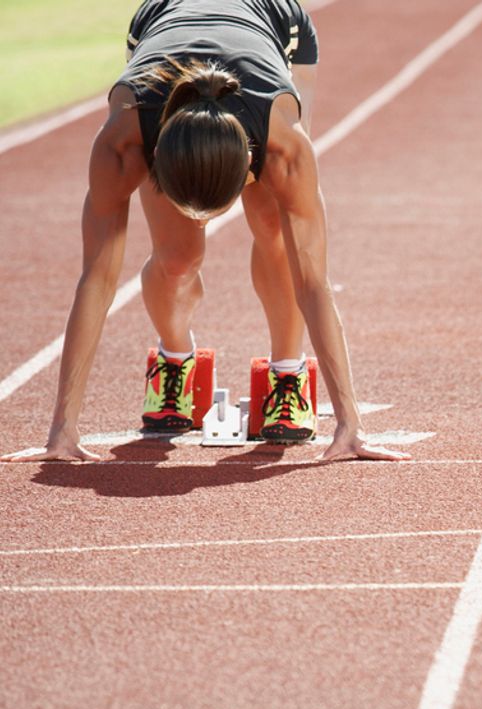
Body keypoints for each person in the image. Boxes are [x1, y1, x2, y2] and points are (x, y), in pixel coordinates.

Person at [4, 0, 405, 462]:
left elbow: (313, 280)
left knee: (275, 224)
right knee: (177, 258)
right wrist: (61, 431)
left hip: (274, 25)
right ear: (156, 161)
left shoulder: (282, 145)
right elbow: (96, 279)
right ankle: (175, 360)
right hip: (162, 22)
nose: (202, 222)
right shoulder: (125, 137)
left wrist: (351, 423)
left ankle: (287, 373)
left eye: (212, 211)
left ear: (250, 164)